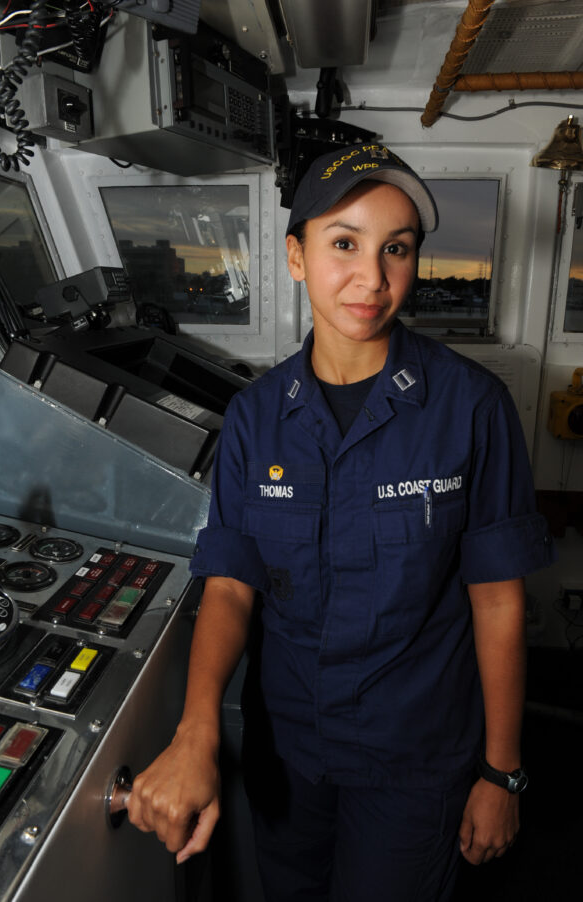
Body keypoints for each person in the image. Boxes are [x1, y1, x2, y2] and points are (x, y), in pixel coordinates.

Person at [127, 143, 555, 902]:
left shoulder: (472, 408)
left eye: (397, 249)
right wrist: (197, 729)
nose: (372, 277)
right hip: (290, 751)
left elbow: (498, 600)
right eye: (344, 243)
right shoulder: (257, 418)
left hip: (415, 759)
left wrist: (502, 771)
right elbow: (230, 584)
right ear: (296, 256)